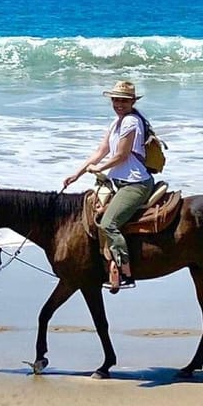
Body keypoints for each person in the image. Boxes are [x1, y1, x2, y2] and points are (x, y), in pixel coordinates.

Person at [62, 80, 154, 288]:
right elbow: (100, 152)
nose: (118, 104)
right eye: (115, 100)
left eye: (123, 100)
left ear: (132, 101)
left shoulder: (131, 122)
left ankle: (126, 274)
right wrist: (78, 172)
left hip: (134, 183)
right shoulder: (116, 122)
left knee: (108, 224)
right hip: (117, 181)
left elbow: (121, 155)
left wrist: (100, 168)